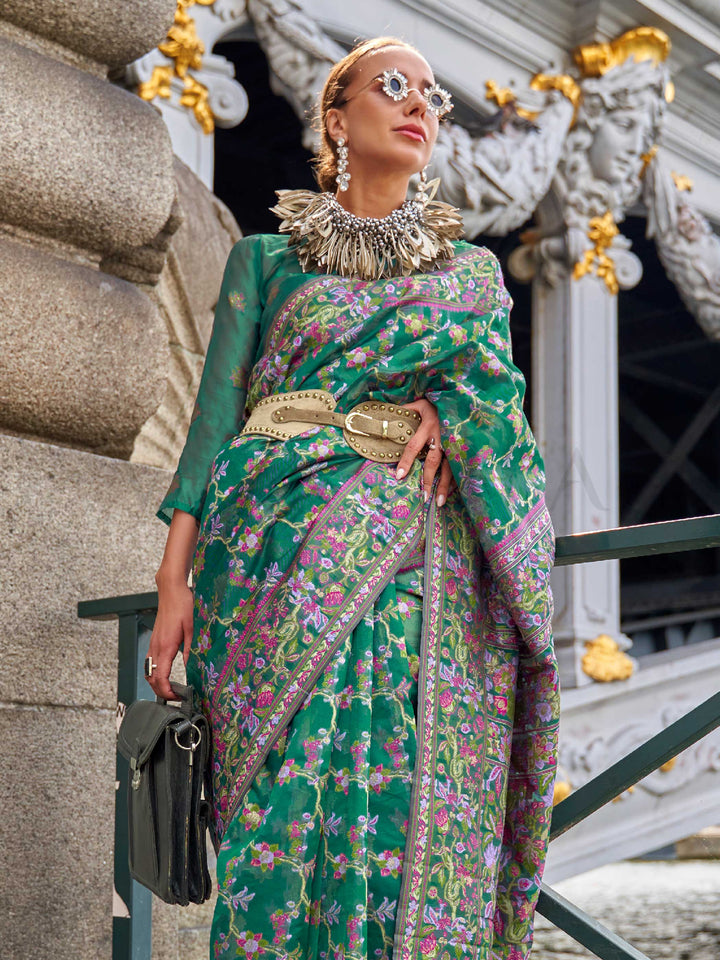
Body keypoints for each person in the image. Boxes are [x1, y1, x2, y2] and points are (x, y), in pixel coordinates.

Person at [146, 35, 559, 960]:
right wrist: (173, 584)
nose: (421, 104)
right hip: (261, 561)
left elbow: (501, 414)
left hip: (409, 576)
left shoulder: (470, 282)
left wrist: (450, 414)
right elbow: (211, 431)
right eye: (393, 86)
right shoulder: (264, 261)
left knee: (395, 794)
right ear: (337, 119)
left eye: (433, 97)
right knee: (282, 805)